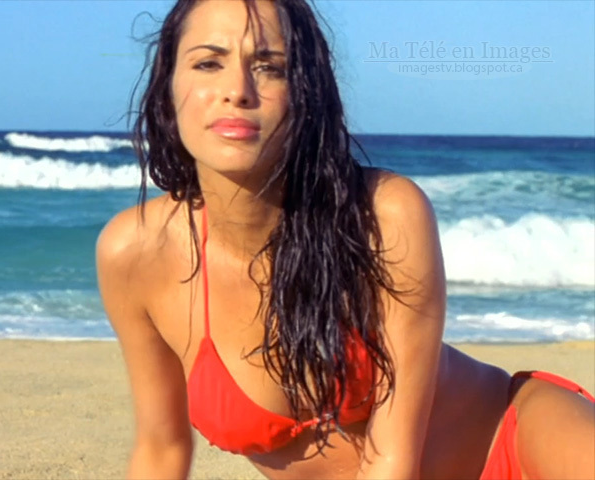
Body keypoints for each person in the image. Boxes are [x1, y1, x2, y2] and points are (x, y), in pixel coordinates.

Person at [95, 0, 595, 478]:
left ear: (307, 93)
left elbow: (393, 461)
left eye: (271, 67)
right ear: (167, 86)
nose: (237, 90)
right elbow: (161, 449)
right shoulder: (135, 254)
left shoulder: (383, 215)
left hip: (520, 441)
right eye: (208, 63)